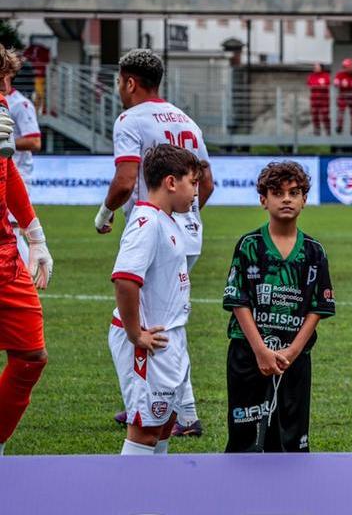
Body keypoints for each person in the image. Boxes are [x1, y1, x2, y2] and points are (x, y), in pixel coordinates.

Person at [97, 49, 215, 437]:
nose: (119, 89)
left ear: (130, 82)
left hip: (153, 230)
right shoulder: (186, 120)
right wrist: (184, 218)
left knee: (134, 325)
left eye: (119, 82)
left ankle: (152, 406)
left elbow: (125, 181)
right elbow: (206, 183)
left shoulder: (130, 119)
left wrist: (105, 213)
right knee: (167, 320)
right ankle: (177, 410)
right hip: (188, 233)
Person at [223, 161, 335, 453]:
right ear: (264, 200)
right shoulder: (249, 245)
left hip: (293, 358)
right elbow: (238, 301)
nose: (286, 199)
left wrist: (293, 351)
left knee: (291, 442)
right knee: (245, 439)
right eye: (277, 193)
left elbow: (318, 307)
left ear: (304, 200)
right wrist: (260, 350)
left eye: (294, 193)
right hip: (249, 354)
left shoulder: (314, 251)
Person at [108, 145, 203, 455]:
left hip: (170, 336)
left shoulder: (167, 219)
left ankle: (155, 487)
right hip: (149, 341)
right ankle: (130, 489)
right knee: (145, 432)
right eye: (193, 182)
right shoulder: (146, 223)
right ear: (171, 182)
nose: (196, 192)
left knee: (163, 426)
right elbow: (125, 279)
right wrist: (136, 334)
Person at [0, 104, 53, 456]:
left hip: (5, 254)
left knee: (31, 356)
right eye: (2, 80)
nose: (6, 89)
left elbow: (7, 171)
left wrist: (35, 236)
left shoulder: (1, 104)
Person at [0, 49, 41, 266]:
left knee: (12, 230)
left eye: (6, 76)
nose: (3, 84)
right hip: (6, 171)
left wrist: (7, 141)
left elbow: (35, 141)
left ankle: (27, 271)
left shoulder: (20, 104)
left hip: (16, 174)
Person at [335, 58, 352, 136]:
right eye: (344, 67)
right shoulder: (340, 74)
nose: (346, 69)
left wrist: (347, 84)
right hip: (343, 96)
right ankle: (339, 126)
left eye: (347, 67)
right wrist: (342, 84)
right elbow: (336, 82)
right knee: (340, 111)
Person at [306, 63, 331, 137]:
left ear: (321, 68)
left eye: (317, 67)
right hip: (314, 99)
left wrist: (318, 86)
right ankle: (317, 131)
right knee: (315, 115)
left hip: (324, 100)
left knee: (325, 116)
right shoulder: (311, 76)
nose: (315, 68)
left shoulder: (326, 76)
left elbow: (327, 85)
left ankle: (328, 130)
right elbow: (309, 85)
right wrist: (318, 86)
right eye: (314, 67)